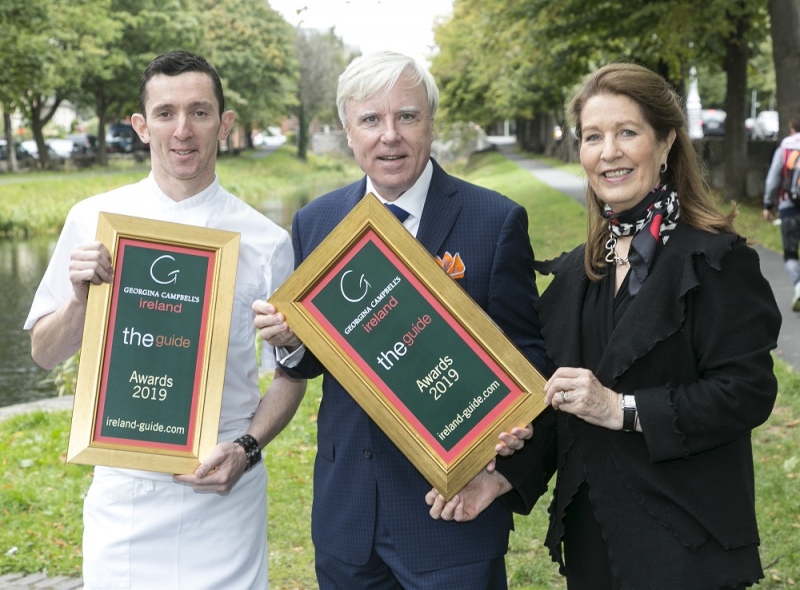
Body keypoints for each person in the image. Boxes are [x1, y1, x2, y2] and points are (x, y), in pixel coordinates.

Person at [428, 63, 782, 589]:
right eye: (593, 137)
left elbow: (748, 393)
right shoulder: (576, 273)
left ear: (665, 144)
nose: (608, 151)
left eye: (627, 133)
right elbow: (556, 405)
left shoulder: (716, 261)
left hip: (687, 544)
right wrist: (501, 479)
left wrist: (622, 409)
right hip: (595, 537)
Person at [253, 50, 546, 589]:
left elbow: (528, 359)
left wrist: (503, 454)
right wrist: (291, 342)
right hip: (348, 516)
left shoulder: (494, 219)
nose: (390, 135)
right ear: (348, 131)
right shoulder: (316, 223)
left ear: (431, 124)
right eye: (371, 120)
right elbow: (309, 364)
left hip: (450, 512)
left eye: (407, 116)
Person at [24, 50, 306, 590]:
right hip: (125, 491)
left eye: (200, 112)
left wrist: (246, 451)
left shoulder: (268, 241)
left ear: (224, 124)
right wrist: (81, 301)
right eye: (166, 113)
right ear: (141, 125)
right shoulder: (93, 220)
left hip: (224, 489)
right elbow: (43, 352)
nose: (183, 130)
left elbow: (290, 375)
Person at [763, 114, 800, 311]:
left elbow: (773, 179)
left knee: (791, 253)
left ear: (792, 129)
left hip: (789, 208)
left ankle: (799, 287)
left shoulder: (786, 146)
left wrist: (768, 205)